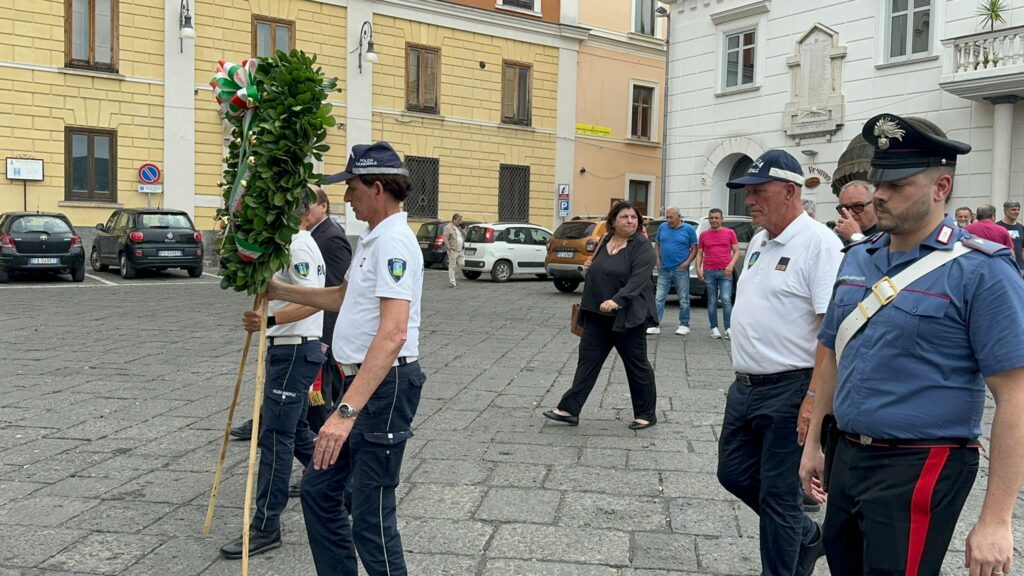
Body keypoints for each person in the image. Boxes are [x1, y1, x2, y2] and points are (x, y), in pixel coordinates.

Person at [800, 113, 1024, 576]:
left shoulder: (981, 272)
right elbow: (833, 356)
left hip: (920, 463)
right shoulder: (859, 258)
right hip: (847, 453)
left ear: (941, 187)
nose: (879, 193)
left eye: (898, 184)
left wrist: (997, 520)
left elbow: (1015, 396)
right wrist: (815, 444)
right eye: (878, 180)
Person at [266, 141, 425, 576]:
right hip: (364, 385)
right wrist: (280, 291)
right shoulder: (374, 239)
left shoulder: (394, 242)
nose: (346, 196)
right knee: (319, 491)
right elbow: (341, 296)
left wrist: (345, 412)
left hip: (383, 389)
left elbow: (393, 333)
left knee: (371, 518)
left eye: (351, 186)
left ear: (376, 187)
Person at [718, 149, 842, 576]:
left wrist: (813, 399)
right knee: (732, 473)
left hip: (791, 388)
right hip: (746, 387)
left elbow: (831, 330)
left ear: (790, 191)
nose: (748, 200)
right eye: (746, 192)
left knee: (780, 498)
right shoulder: (759, 240)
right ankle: (805, 536)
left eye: (757, 191)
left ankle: (786, 562)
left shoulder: (819, 244)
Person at [219, 203, 327, 559]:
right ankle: (344, 484)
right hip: (287, 348)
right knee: (294, 433)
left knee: (275, 440)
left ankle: (266, 526)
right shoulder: (287, 244)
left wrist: (271, 320)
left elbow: (314, 301)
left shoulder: (298, 243)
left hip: (295, 349)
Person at [229, 187, 354, 442]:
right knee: (296, 424)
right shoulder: (299, 239)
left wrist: (271, 320)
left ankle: (329, 472)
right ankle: (323, 476)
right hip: (296, 334)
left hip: (306, 337)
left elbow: (329, 294)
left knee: (301, 420)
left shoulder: (324, 239)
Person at [544, 201, 659, 430]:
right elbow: (599, 270)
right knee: (587, 363)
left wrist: (618, 300)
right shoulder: (605, 240)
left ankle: (646, 413)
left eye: (634, 217)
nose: (630, 221)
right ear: (613, 221)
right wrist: (590, 265)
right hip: (597, 314)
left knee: (637, 366)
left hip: (627, 316)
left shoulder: (642, 246)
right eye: (624, 217)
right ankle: (569, 409)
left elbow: (639, 279)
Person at [648, 207, 698, 336]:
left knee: (683, 298)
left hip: (680, 269)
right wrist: (657, 260)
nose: (668, 220)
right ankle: (655, 323)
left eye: (671, 217)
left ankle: (684, 324)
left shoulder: (688, 229)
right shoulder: (662, 227)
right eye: (667, 217)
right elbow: (657, 244)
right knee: (659, 297)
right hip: (664, 268)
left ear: (679, 217)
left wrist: (686, 264)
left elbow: (694, 248)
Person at [694, 208, 739, 339]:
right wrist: (698, 269)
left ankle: (728, 328)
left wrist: (731, 265)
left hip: (725, 271)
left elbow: (736, 251)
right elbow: (700, 253)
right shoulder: (703, 235)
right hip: (709, 271)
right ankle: (714, 328)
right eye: (711, 218)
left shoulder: (730, 233)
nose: (714, 220)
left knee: (725, 299)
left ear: (721, 219)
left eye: (716, 218)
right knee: (712, 301)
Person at [833, 181, 880, 245]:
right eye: (844, 208)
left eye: (858, 206)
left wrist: (856, 237)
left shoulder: (890, 235)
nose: (850, 213)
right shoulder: (838, 239)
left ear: (875, 204)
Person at [996, 200, 1024, 270]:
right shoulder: (997, 227)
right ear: (1005, 210)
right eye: (1013, 210)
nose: (1017, 212)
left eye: (1018, 210)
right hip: (1002, 267)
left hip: (1019, 268)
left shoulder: (1021, 228)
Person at [443, 213, 465, 288]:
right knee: (452, 266)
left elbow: (465, 236)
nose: (460, 222)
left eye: (460, 220)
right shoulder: (448, 227)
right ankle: (452, 282)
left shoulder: (459, 227)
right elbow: (445, 238)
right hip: (453, 250)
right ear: (454, 220)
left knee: (462, 264)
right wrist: (449, 248)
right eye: (459, 220)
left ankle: (452, 274)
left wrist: (463, 228)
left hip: (461, 250)